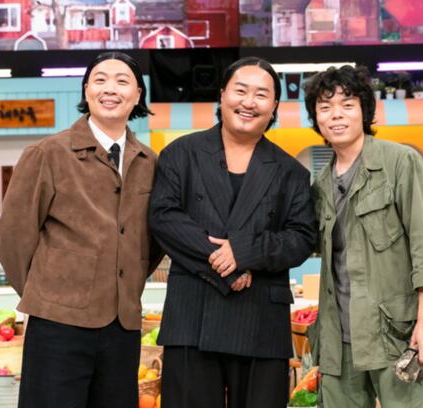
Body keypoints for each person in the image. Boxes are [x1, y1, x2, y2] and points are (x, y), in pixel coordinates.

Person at [0, 51, 162, 408]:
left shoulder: (150, 162)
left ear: (137, 96)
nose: (110, 89)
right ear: (86, 91)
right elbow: (12, 235)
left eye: (122, 81)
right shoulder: (49, 153)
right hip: (57, 324)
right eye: (99, 80)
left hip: (122, 325)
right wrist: (48, 293)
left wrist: (125, 278)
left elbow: (153, 239)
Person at [148, 57, 317, 408]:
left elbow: (302, 238)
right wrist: (224, 264)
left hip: (260, 319)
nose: (249, 102)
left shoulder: (290, 171)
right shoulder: (181, 154)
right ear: (222, 95)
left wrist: (244, 251)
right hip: (192, 314)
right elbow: (164, 218)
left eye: (261, 94)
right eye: (240, 91)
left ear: (274, 106)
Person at [304, 65, 423, 407]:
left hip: (396, 333)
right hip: (339, 340)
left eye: (347, 105)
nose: (336, 115)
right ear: (316, 118)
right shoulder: (320, 185)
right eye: (325, 107)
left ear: (364, 111)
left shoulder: (399, 162)